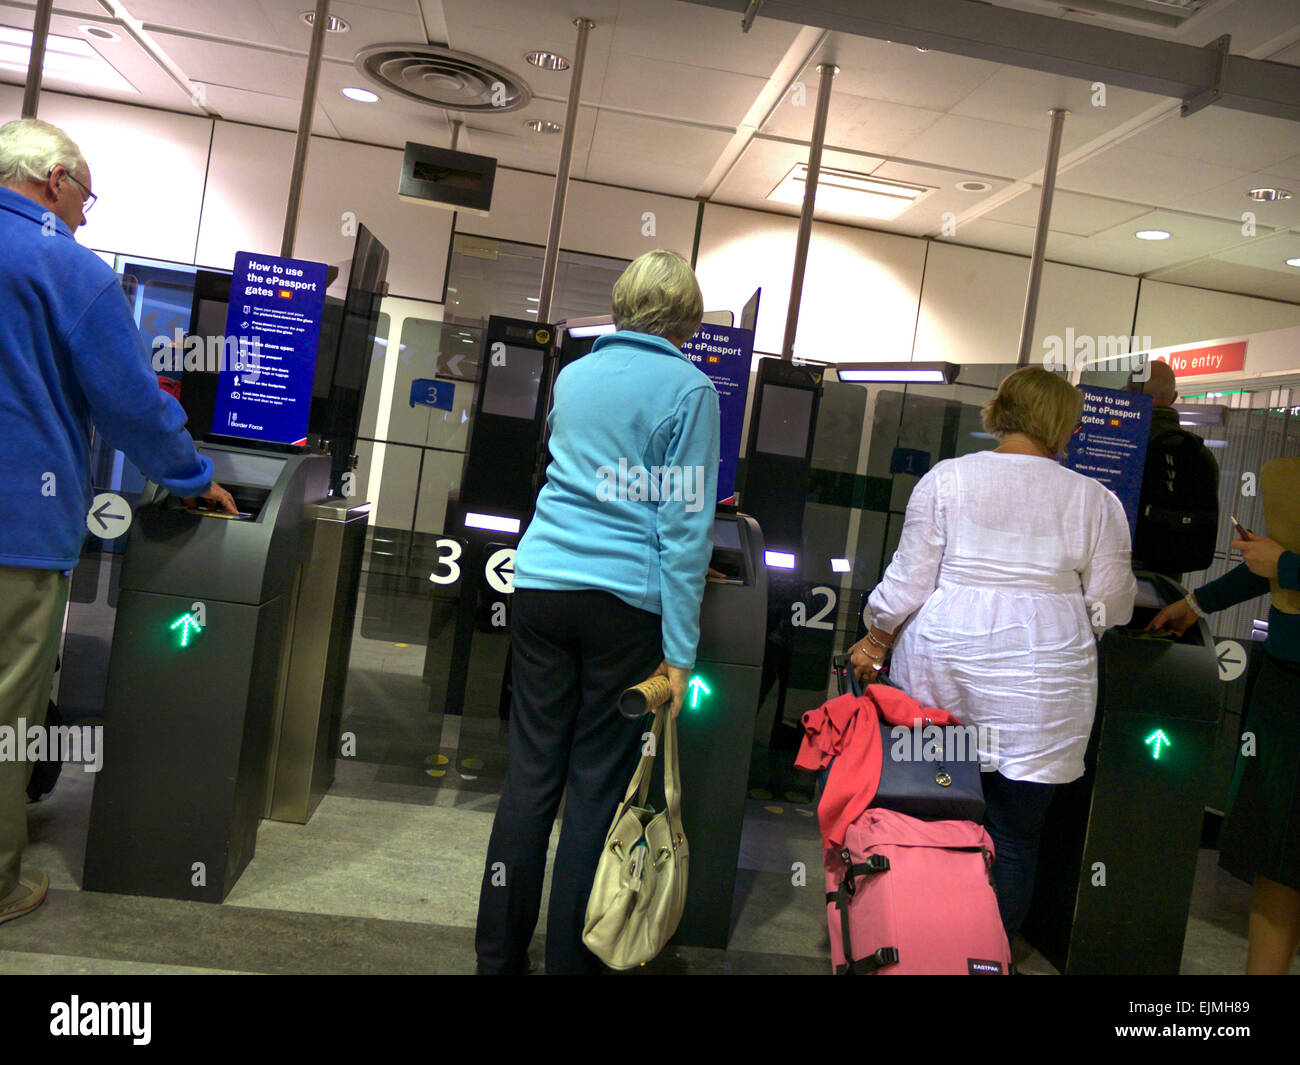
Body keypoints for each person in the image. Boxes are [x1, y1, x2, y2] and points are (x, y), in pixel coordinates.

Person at [0, 118, 236, 926]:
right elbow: (132, 400)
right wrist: (192, 477)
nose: (86, 216)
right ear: (55, 178)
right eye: (86, 196)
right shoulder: (65, 268)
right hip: (17, 534)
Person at [474, 250, 719, 974]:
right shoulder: (690, 389)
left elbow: (559, 469)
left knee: (530, 778)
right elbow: (683, 527)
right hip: (623, 604)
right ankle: (570, 961)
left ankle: (496, 956)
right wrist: (680, 652)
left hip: (542, 583)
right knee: (595, 790)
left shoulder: (574, 375)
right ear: (687, 319)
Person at [846, 366, 1136, 944]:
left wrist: (877, 637)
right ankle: (987, 956)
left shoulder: (947, 480)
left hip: (942, 673)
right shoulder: (1097, 501)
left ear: (1000, 410)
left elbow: (909, 581)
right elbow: (1112, 605)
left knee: (926, 814)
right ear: (1064, 425)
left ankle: (915, 943)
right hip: (1044, 688)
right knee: (1018, 834)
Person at [1149, 457, 1300, 974]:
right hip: (1284, 680)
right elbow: (1276, 572)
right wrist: (1197, 602)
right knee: (1276, 856)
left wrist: (1285, 565)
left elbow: (1285, 568)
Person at [1132, 358, 1219, 580]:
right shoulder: (1200, 453)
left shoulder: (1125, 445)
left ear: (1133, 394)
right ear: (1174, 397)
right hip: (1171, 584)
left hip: (1122, 573)